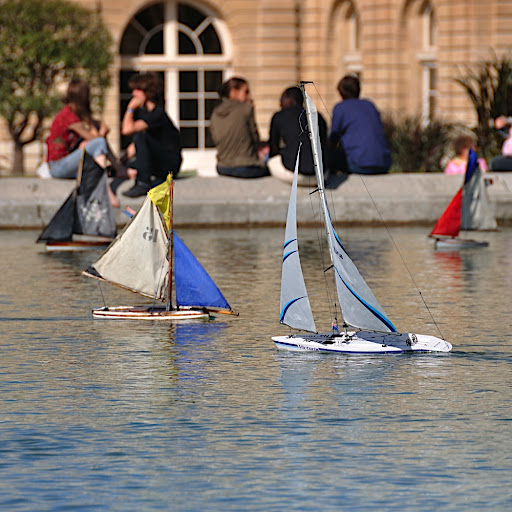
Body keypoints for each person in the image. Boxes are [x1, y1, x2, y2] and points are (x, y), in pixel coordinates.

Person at [45, 79, 121, 207]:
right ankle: (106, 186)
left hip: (67, 162)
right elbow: (95, 139)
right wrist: (100, 132)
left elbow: (96, 132)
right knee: (99, 141)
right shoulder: (69, 117)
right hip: (58, 167)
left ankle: (118, 167)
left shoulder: (76, 114)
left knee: (98, 141)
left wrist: (98, 129)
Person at [121, 72, 182, 197]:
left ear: (147, 92)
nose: (133, 94)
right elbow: (135, 145)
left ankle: (143, 183)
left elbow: (127, 129)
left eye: (137, 90)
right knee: (129, 163)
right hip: (155, 160)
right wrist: (120, 162)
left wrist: (130, 108)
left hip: (168, 164)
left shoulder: (157, 114)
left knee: (140, 136)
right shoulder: (144, 113)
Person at [328, 74, 392, 175]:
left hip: (360, 165)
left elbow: (333, 139)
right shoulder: (370, 105)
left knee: (331, 157)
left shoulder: (340, 108)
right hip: (384, 163)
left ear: (340, 92)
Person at [267, 86, 328, 185]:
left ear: (290, 99)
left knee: (271, 161)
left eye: (282, 100)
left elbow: (273, 149)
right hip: (321, 176)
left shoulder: (279, 116)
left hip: (294, 174)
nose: (280, 104)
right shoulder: (318, 116)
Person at [209, 77, 269, 178]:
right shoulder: (246, 108)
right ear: (233, 92)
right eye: (246, 92)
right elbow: (255, 138)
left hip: (222, 167)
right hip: (246, 167)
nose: (249, 96)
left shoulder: (215, 113)